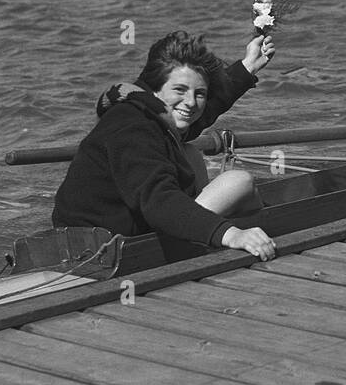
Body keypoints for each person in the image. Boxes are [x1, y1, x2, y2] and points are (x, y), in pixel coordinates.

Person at [52, 30, 277, 261]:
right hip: (97, 249)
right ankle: (257, 229)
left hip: (118, 227)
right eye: (180, 90)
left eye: (199, 93)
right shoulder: (131, 126)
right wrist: (229, 234)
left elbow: (203, 111)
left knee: (190, 153)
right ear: (155, 88)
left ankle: (236, 224)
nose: (190, 102)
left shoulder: (150, 109)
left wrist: (247, 67)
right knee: (239, 182)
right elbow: (158, 199)